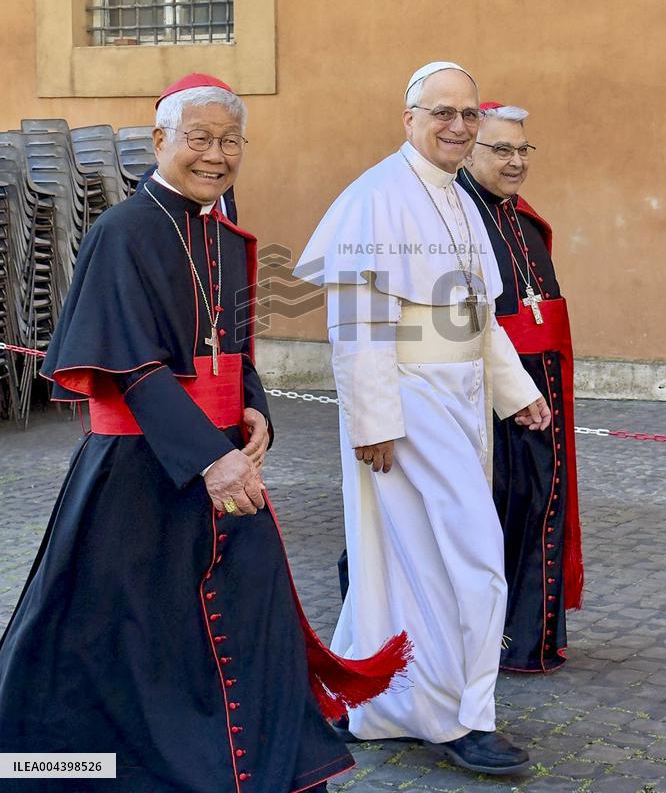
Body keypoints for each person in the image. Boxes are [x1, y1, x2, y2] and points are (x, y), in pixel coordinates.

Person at [0, 73, 409, 793]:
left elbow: (233, 346)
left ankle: (237, 768)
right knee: (118, 641)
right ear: (160, 141)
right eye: (199, 138)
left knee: (247, 624)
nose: (216, 154)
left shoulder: (221, 234)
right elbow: (130, 364)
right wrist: (210, 461)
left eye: (230, 141)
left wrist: (253, 410)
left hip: (221, 459)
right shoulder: (121, 232)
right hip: (140, 472)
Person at [294, 62, 552, 775]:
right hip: (408, 405)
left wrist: (513, 391)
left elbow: (477, 314)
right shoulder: (376, 196)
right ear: (408, 117)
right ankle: (464, 718)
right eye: (443, 112)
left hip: (460, 401)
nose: (459, 126)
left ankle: (375, 699)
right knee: (473, 559)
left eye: (468, 114)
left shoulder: (458, 197)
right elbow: (356, 322)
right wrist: (373, 420)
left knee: (405, 565)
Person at [457, 101, 584, 672]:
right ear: (469, 148)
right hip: (488, 393)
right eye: (500, 149)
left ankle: (530, 639)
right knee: (493, 510)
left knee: (539, 507)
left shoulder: (524, 219)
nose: (514, 162)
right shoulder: (455, 216)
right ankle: (484, 640)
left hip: (544, 383)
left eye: (521, 149)